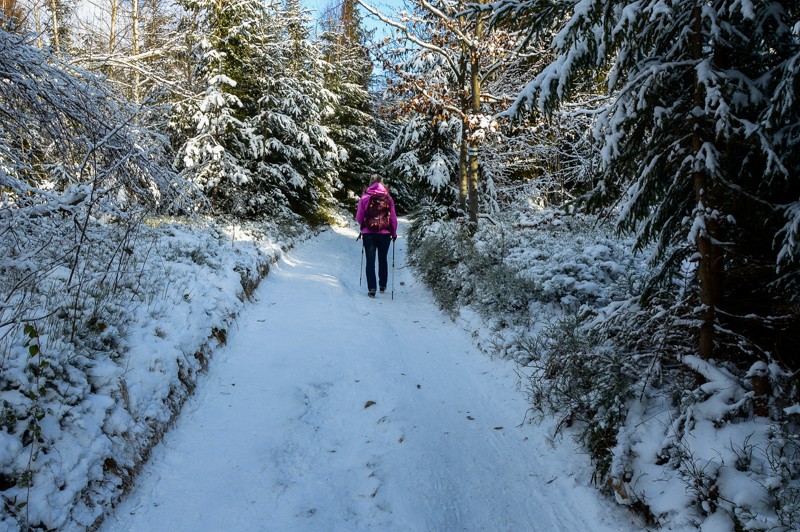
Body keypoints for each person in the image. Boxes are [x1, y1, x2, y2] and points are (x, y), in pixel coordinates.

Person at [356, 174, 398, 297]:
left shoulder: (365, 197)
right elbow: (393, 218)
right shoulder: (388, 198)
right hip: (385, 234)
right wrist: (394, 232)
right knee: (383, 259)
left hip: (369, 234)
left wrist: (364, 225)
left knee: (370, 261)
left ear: (370, 183)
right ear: (382, 183)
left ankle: (372, 288)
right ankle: (383, 285)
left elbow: (359, 217)